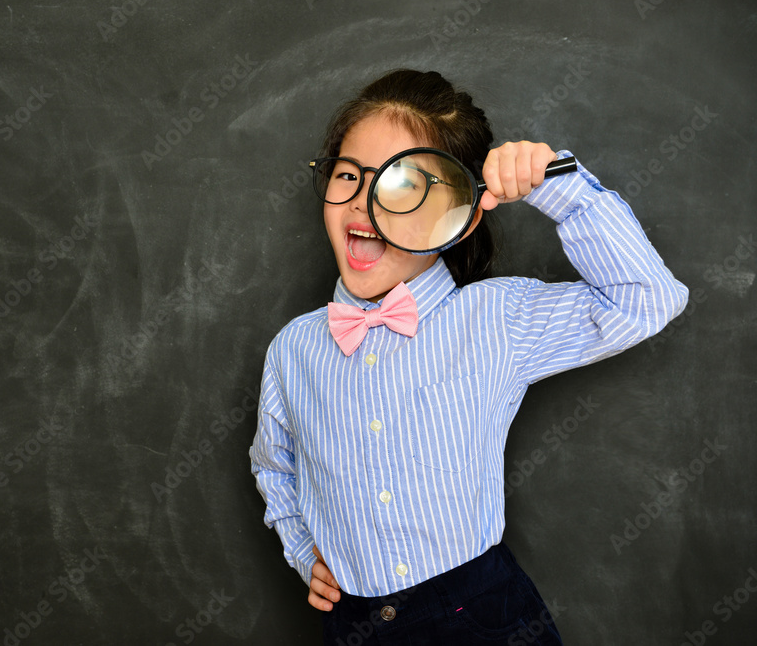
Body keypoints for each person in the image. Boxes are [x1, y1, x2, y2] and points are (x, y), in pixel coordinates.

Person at [249, 69, 688, 644]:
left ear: (461, 215)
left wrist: (560, 187)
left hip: (479, 617)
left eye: (403, 186)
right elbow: (272, 464)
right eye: (348, 175)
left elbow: (646, 299)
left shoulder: (496, 320)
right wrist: (305, 551)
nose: (364, 205)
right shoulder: (293, 350)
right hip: (353, 626)